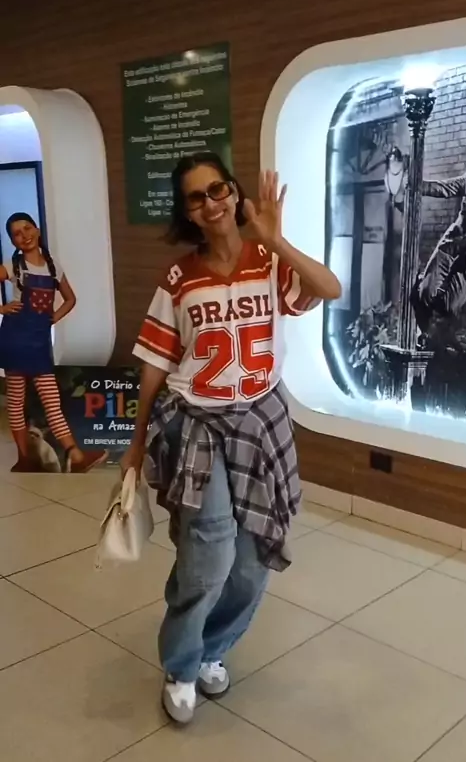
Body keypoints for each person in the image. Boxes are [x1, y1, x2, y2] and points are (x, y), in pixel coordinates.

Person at [121, 152, 341, 724]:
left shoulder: (268, 262)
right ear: (187, 211)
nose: (210, 203)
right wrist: (136, 443)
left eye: (217, 189)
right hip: (195, 421)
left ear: (234, 192)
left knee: (251, 559)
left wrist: (277, 241)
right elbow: (154, 365)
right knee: (210, 551)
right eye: (196, 197)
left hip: (259, 421)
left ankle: (213, 648)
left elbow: (330, 288)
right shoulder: (179, 279)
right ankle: (181, 665)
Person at [0, 212, 107, 473]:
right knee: (16, 401)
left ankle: (74, 456)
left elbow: (70, 299)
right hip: (15, 339)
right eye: (17, 233)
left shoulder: (52, 267)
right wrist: (2, 309)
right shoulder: (14, 266)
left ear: (37, 230)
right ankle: (27, 459)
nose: (24, 235)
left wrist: (53, 318)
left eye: (27, 228)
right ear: (12, 241)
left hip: (38, 341)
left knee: (51, 400)